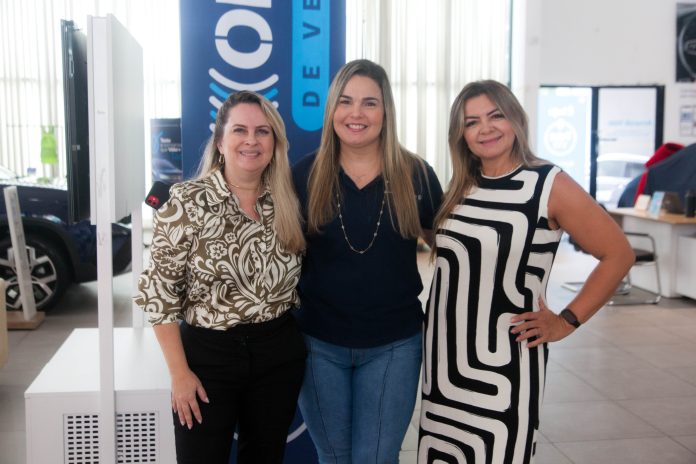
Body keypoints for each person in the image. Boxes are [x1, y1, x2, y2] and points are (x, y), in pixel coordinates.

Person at [418, 80, 634, 464]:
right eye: (472, 122)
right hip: (444, 364)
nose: (485, 128)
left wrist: (567, 321)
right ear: (461, 134)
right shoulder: (461, 186)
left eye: (495, 115)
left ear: (515, 119)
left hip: (503, 366)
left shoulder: (547, 184)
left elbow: (618, 254)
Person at [135, 91, 307, 464]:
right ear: (220, 141)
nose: (251, 140)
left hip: (277, 353)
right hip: (207, 358)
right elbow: (159, 294)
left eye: (263, 131)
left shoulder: (287, 200)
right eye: (240, 130)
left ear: (274, 142)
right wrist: (179, 375)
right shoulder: (185, 200)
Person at [292, 59, 443, 463]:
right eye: (346, 101)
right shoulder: (303, 175)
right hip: (318, 345)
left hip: (393, 345)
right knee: (334, 459)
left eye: (369, 103)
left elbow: (452, 248)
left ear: (386, 111)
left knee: (376, 458)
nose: (356, 113)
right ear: (332, 111)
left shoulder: (417, 175)